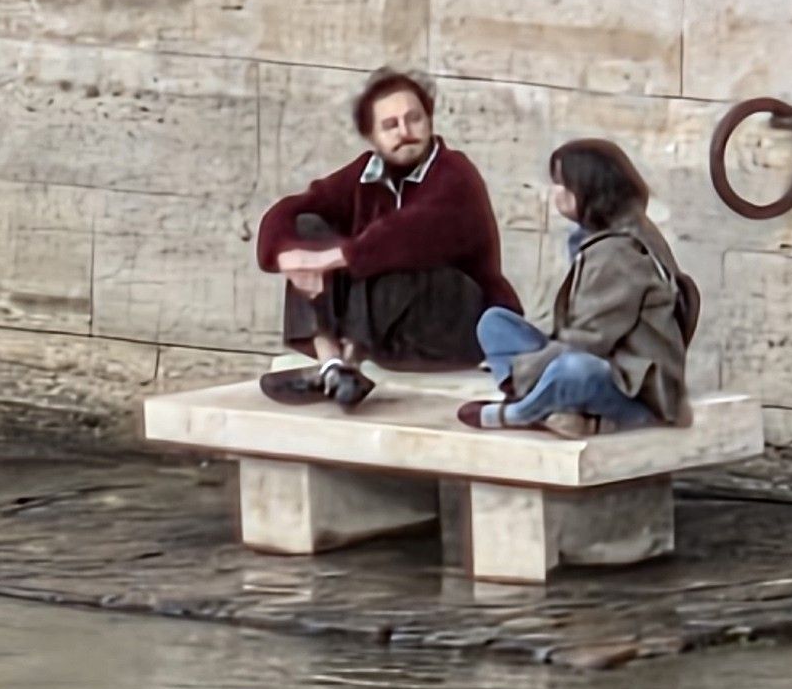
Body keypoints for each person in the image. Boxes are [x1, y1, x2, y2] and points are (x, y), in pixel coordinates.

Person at [251, 70, 518, 406]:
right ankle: (332, 363)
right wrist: (287, 255)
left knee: (396, 256)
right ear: (372, 136)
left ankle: (348, 359)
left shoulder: (455, 173)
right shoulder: (365, 172)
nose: (406, 133)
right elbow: (288, 210)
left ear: (430, 120)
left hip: (455, 325)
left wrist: (325, 259)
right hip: (387, 328)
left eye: (415, 119)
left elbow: (410, 234)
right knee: (306, 228)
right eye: (391, 126)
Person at [460, 137, 693, 435]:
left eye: (560, 183)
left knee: (571, 370)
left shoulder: (618, 252)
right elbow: (570, 321)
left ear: (585, 187)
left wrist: (528, 368)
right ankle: (557, 409)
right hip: (600, 356)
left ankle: (519, 412)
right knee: (494, 324)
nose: (554, 192)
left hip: (633, 387)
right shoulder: (597, 235)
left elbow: (589, 340)